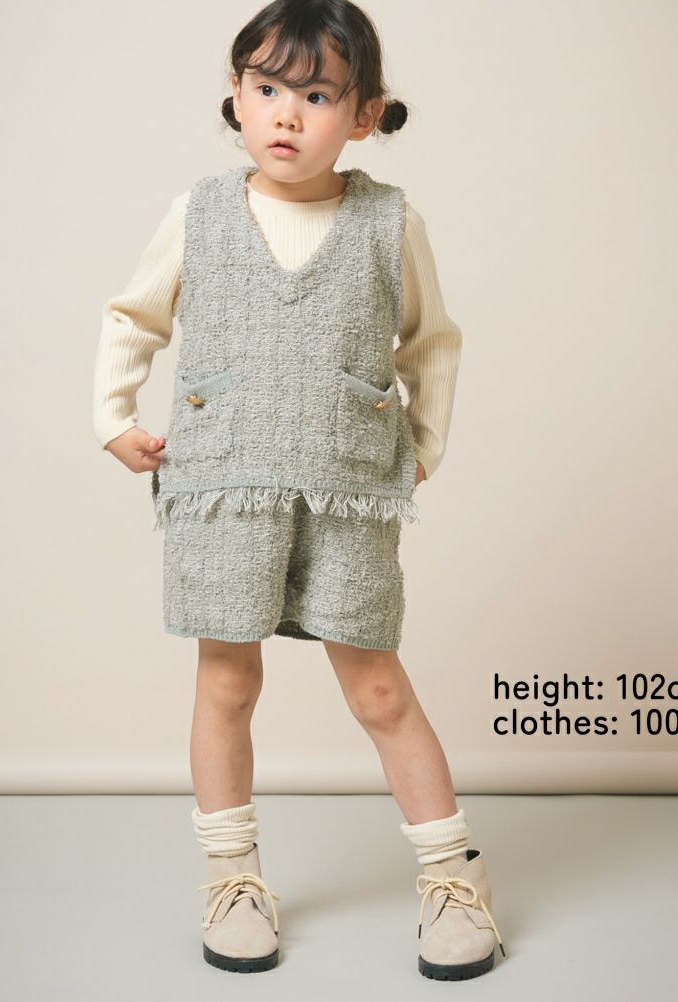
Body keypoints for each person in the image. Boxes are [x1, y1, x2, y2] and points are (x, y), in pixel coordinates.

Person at [92, 0, 505, 981]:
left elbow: (432, 342)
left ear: (363, 116)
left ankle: (453, 880)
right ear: (236, 97)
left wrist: (421, 448)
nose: (286, 113)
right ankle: (232, 879)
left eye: (317, 96)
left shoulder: (389, 222)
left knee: (378, 688)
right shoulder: (197, 213)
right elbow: (133, 316)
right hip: (223, 485)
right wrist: (114, 417)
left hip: (349, 491)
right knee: (227, 680)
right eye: (267, 88)